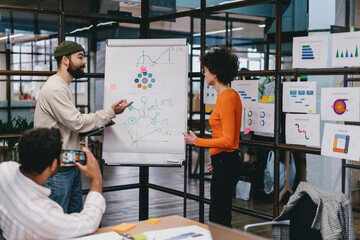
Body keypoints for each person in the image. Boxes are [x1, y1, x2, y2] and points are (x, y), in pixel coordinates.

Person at [34, 40, 133, 213]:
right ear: (65, 60)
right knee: (58, 219)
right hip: (58, 168)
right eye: (80, 57)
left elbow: (69, 127)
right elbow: (77, 122)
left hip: (70, 163)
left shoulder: (62, 86)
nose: (84, 62)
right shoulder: (55, 88)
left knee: (74, 216)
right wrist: (110, 112)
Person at [0, 128, 105, 239]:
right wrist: (96, 178)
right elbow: (89, 222)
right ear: (54, 163)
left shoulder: (5, 170)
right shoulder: (44, 217)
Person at [183, 47, 243, 227]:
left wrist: (196, 141)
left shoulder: (226, 98)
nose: (204, 74)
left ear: (215, 73)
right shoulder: (227, 96)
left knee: (219, 219)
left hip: (227, 162)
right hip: (224, 160)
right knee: (219, 215)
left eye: (205, 70)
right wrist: (216, 157)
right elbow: (226, 140)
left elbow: (228, 140)